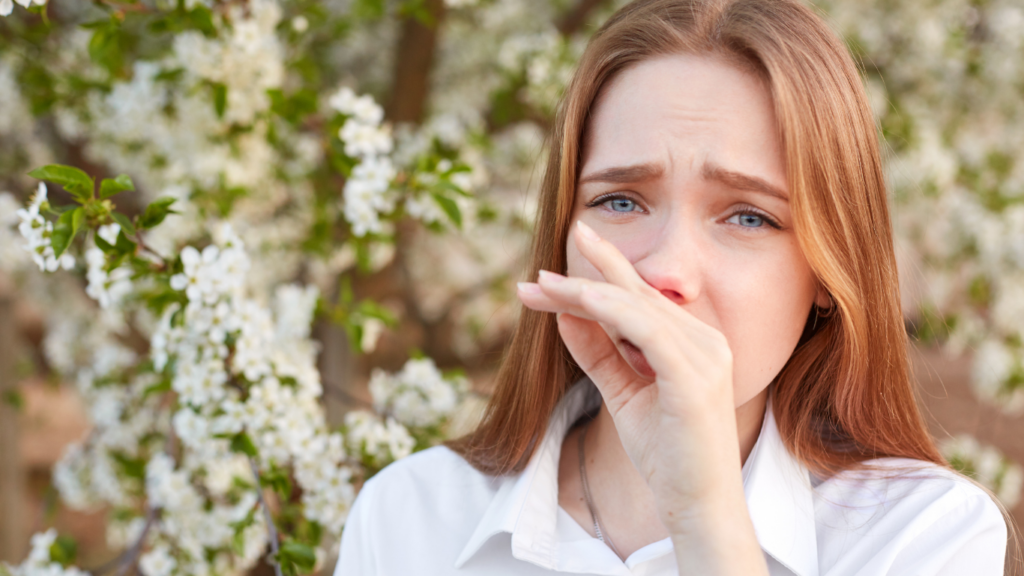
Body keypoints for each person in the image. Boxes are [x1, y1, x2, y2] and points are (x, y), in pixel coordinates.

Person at [334, 0, 1017, 574]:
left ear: (827, 272)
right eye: (621, 202)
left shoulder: (920, 536)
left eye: (748, 216)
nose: (665, 274)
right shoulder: (411, 518)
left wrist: (704, 514)